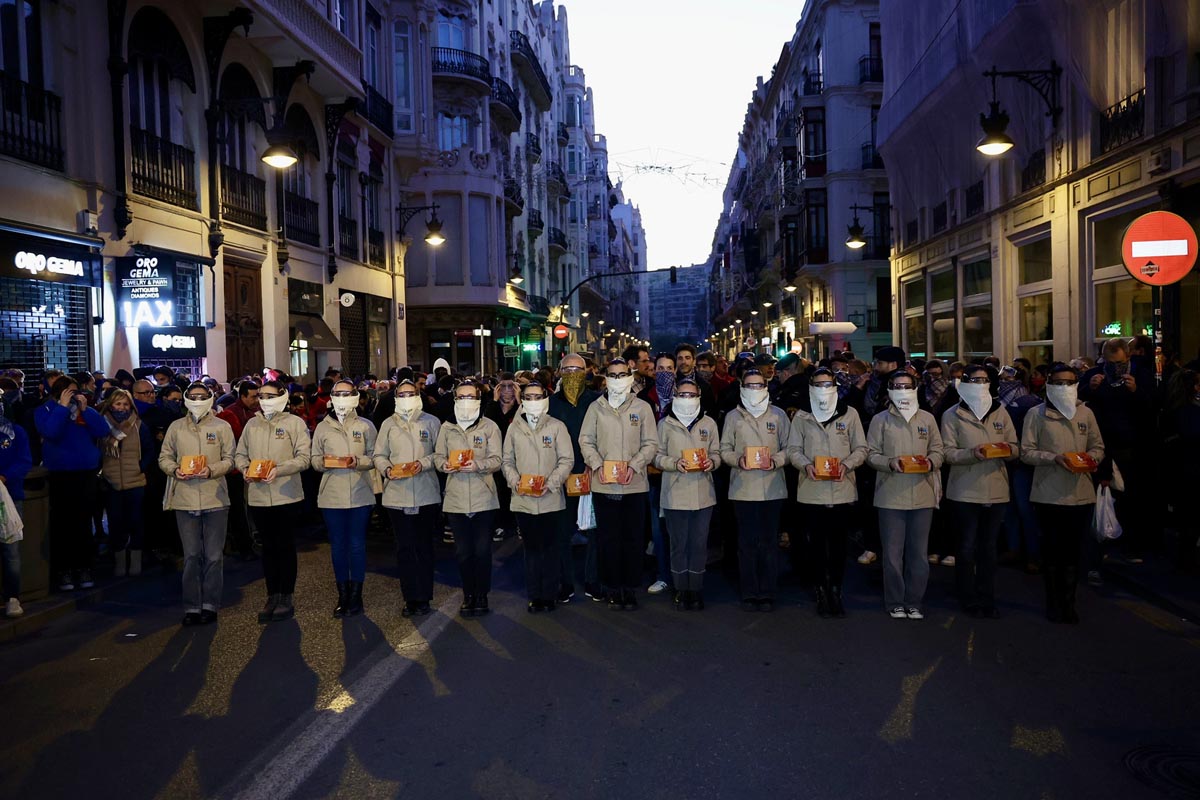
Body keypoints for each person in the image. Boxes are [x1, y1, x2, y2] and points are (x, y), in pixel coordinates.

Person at [1021, 363, 1105, 623]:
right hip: (1049, 493)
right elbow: (1026, 452)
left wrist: (1090, 459)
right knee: (1053, 551)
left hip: (1080, 492)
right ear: (1049, 384)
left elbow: (1098, 445)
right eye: (1058, 382)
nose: (1064, 387)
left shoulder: (1085, 413)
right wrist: (1054, 458)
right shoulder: (1036, 414)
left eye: (1069, 382)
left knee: (1072, 551)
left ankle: (1069, 603)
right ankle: (1053, 603)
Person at [788, 367, 869, 618]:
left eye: (828, 383)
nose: (823, 388)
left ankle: (836, 589)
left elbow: (861, 448)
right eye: (818, 384)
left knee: (838, 546)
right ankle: (820, 590)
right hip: (812, 490)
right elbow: (793, 450)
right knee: (816, 545)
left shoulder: (850, 413)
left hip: (842, 489)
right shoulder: (802, 415)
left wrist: (847, 465)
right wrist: (806, 465)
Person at [579, 357, 658, 610]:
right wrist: (598, 465)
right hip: (604, 485)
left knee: (633, 539)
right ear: (605, 377)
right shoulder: (596, 407)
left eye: (621, 374)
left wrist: (634, 465)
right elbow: (586, 441)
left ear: (630, 375)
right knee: (608, 539)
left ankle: (629, 587)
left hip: (634, 484)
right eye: (612, 374)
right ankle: (612, 587)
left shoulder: (643, 407)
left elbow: (651, 443)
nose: (617, 379)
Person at [940, 365, 1019, 618]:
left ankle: (987, 596)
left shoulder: (1001, 412)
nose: (980, 383)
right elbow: (947, 452)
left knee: (988, 547)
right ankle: (967, 595)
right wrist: (972, 453)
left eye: (985, 380)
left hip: (996, 488)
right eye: (975, 379)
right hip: (965, 489)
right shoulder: (952, 414)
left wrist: (1006, 449)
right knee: (966, 546)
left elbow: (1017, 447)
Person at [867, 369, 944, 619]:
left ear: (915, 387)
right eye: (897, 386)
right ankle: (895, 601)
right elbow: (870, 454)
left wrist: (931, 462)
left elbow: (938, 450)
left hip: (922, 493)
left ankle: (914, 600)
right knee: (891, 554)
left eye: (907, 386)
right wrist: (890, 462)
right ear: (890, 390)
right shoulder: (881, 420)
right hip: (891, 494)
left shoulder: (927, 419)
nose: (903, 391)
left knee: (919, 554)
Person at [234, 379, 311, 623]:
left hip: (286, 494)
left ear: (281, 396)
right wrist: (245, 468)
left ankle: (286, 595)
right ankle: (272, 594)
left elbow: (304, 458)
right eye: (260, 396)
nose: (263, 400)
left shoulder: (294, 423)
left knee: (285, 546)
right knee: (268, 548)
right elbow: (240, 453)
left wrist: (279, 469)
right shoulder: (252, 424)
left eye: (268, 395)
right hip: (258, 495)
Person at [159, 382, 236, 625]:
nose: (197, 399)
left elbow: (230, 459)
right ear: (185, 398)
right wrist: (173, 470)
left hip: (215, 497)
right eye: (193, 396)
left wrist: (211, 470)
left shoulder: (222, 426)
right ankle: (191, 606)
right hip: (185, 498)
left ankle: (210, 604)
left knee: (214, 556)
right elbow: (165, 457)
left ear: (211, 398)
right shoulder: (176, 427)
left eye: (202, 396)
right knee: (191, 555)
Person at [720, 368, 791, 611]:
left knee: (769, 542)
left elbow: (790, 448)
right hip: (743, 488)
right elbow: (724, 449)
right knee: (747, 543)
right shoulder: (733, 417)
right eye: (750, 385)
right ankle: (750, 591)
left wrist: (776, 460)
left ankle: (769, 591)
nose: (755, 389)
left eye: (759, 384)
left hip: (773, 487)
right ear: (741, 387)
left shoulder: (779, 415)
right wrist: (737, 459)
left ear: (766, 386)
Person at [502, 381, 574, 612]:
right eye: (528, 397)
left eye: (537, 396)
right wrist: (515, 481)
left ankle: (550, 593)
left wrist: (551, 483)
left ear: (545, 398)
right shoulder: (514, 428)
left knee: (550, 548)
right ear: (522, 399)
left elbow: (566, 460)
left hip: (550, 498)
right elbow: (507, 460)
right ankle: (535, 594)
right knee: (531, 549)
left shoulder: (556, 426)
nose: (533, 401)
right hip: (523, 500)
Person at [374, 379, 442, 617]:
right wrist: (387, 469)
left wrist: (421, 464)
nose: (406, 397)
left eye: (410, 393)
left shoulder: (432, 422)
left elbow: (440, 455)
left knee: (423, 546)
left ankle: (424, 596)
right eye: (401, 394)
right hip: (396, 494)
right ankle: (410, 597)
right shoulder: (388, 424)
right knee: (404, 548)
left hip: (425, 492)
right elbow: (379, 455)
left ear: (418, 395)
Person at [36, 376, 110, 591]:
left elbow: (102, 431)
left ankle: (84, 567)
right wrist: (61, 407)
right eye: (70, 391)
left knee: (83, 522)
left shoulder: (83, 410)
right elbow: (50, 432)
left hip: (85, 472)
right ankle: (64, 570)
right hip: (60, 473)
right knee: (62, 523)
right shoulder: (45, 411)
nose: (75, 395)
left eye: (75, 391)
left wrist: (86, 411)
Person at [435, 379, 503, 617]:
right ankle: (468, 594)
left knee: (482, 550)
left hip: (484, 497)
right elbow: (437, 456)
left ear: (478, 399)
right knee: (463, 551)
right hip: (456, 499)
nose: (466, 402)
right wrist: (443, 465)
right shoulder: (446, 428)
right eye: (461, 397)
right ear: (455, 400)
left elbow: (497, 460)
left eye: (470, 397)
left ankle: (482, 594)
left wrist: (479, 465)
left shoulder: (489, 427)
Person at [312, 380, 378, 618]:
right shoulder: (323, 427)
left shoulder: (366, 425)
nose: (342, 397)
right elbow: (314, 460)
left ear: (355, 396)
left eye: (346, 393)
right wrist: (326, 461)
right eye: (338, 393)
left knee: (357, 545)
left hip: (360, 492)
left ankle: (356, 595)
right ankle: (343, 594)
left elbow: (375, 457)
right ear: (331, 396)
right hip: (331, 495)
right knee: (338, 546)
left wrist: (357, 462)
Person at [654, 377, 720, 610]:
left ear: (699, 396)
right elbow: (656, 455)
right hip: (675, 492)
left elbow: (717, 453)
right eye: (682, 394)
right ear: (675, 396)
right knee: (679, 544)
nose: (687, 399)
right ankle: (681, 588)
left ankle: (696, 588)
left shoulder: (709, 423)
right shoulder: (665, 424)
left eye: (691, 395)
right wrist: (674, 463)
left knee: (699, 543)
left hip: (703, 493)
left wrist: (712, 462)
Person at [548, 353, 602, 602]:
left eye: (578, 369)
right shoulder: (549, 403)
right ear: (559, 372)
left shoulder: (597, 401)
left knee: (594, 531)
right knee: (561, 532)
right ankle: (564, 582)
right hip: (561, 477)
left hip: (591, 474)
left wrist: (595, 464)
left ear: (587, 372)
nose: (573, 375)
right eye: (567, 369)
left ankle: (593, 580)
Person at [98, 389, 155, 578]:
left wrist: (140, 467)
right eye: (118, 404)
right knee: (116, 523)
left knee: (136, 522)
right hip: (111, 482)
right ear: (110, 405)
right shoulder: (102, 425)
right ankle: (120, 561)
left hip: (135, 481)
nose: (121, 408)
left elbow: (149, 450)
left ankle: (136, 560)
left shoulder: (139, 426)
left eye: (125, 404)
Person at [638, 352, 676, 594]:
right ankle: (663, 574)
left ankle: (682, 574)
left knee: (678, 528)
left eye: (669, 368)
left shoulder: (685, 396)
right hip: (653, 475)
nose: (664, 372)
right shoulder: (644, 399)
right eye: (659, 368)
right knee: (657, 529)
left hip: (679, 473)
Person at [1161, 368, 1200, 571]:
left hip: (1183, 470)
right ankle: (1188, 559)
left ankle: (1187, 556)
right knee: (1191, 517)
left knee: (1188, 517)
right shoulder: (1187, 412)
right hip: (1190, 470)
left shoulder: (1174, 410)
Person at [218, 380, 261, 560]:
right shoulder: (230, 414)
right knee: (238, 509)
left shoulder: (251, 412)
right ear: (242, 396)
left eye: (258, 396)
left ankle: (247, 542)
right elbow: (238, 441)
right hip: (234, 471)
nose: (256, 400)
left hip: (247, 467)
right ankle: (243, 545)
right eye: (253, 396)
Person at [0, 401, 32, 617]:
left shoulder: (16, 432)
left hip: (10, 496)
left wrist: (4, 477)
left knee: (10, 550)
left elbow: (24, 461)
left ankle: (13, 597)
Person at [486, 374, 521, 541]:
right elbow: (488, 425)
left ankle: (517, 523)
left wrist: (520, 402)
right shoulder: (492, 407)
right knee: (499, 491)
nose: (507, 391)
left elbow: (524, 422)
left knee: (516, 488)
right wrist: (494, 400)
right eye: (503, 387)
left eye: (510, 386)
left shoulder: (520, 408)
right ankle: (500, 524)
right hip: (497, 454)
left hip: (517, 455)